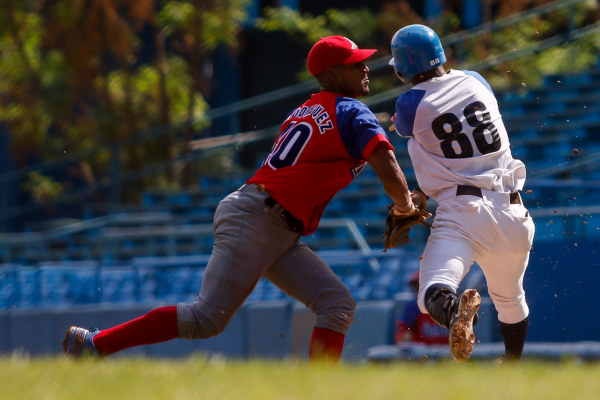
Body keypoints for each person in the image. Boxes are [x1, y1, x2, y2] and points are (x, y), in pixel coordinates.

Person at [63, 35, 421, 363]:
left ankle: (319, 389)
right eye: (354, 63)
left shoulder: (305, 110)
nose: (364, 67)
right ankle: (95, 344)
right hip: (259, 218)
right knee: (206, 318)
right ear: (330, 74)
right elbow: (388, 164)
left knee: (336, 304)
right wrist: (405, 206)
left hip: (270, 221)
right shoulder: (351, 110)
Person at [388, 24, 535, 362]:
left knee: (433, 291)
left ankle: (456, 314)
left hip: (463, 210)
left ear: (401, 68)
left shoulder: (410, 102)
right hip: (513, 211)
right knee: (511, 300)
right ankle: (513, 365)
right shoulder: (474, 79)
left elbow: (405, 124)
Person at [395, 271, 448, 345]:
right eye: (417, 287)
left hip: (449, 352)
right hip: (421, 352)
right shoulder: (414, 305)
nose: (420, 290)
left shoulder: (450, 303)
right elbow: (403, 333)